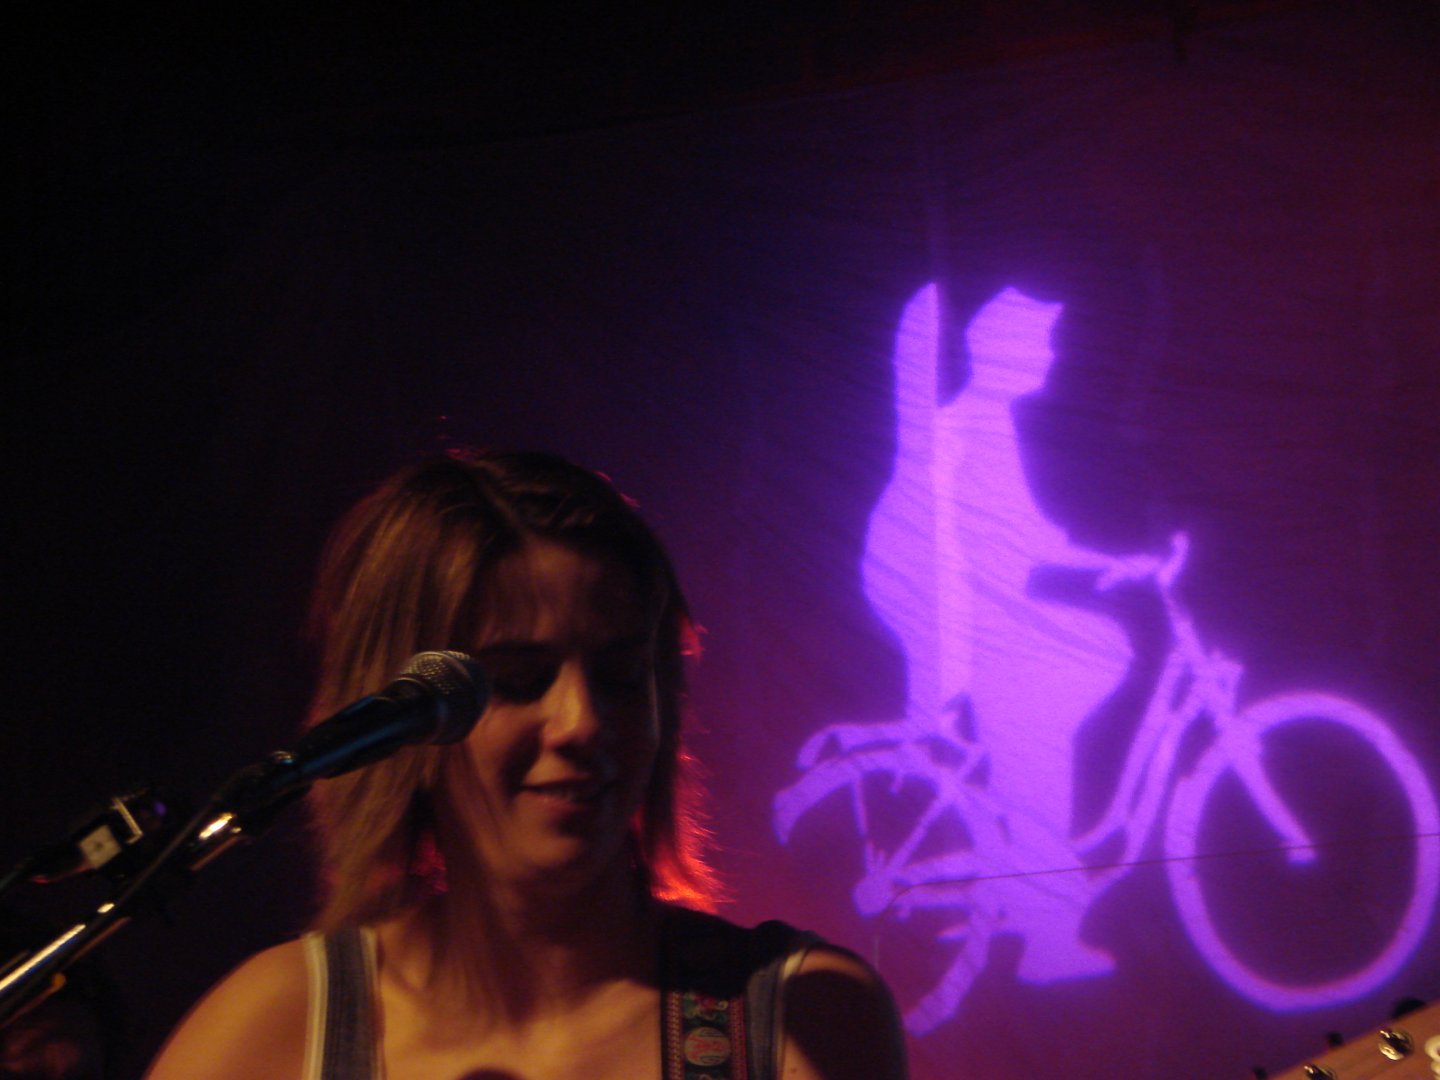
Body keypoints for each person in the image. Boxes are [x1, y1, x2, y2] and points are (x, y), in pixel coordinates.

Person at [146, 450, 907, 1080]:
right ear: (400, 718)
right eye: (515, 680)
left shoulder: (801, 1019)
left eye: (618, 676)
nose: (582, 722)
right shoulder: (280, 1028)